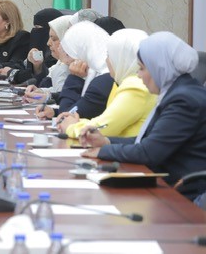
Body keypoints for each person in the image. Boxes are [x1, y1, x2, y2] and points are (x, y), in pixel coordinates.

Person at [79, 32, 206, 201]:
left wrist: (102, 151)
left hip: (183, 194)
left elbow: (148, 152)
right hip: (165, 184)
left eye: (142, 68)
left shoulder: (183, 100)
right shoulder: (177, 92)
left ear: (158, 67)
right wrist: (106, 141)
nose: (138, 75)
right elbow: (149, 141)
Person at [57, 29, 157, 139]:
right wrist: (77, 121)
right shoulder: (122, 82)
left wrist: (72, 127)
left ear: (121, 58)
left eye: (109, 55)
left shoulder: (136, 86)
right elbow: (106, 121)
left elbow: (104, 128)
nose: (106, 61)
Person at [36, 21, 114, 119]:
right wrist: (54, 112)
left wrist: (74, 78)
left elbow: (67, 115)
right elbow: (81, 108)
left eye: (70, 51)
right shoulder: (95, 72)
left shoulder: (102, 80)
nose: (65, 52)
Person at [2, 8, 62, 84]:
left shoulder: (57, 57)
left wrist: (12, 73)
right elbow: (23, 64)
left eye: (38, 28)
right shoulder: (37, 47)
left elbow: (44, 78)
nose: (48, 43)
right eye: (34, 27)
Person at [24, 14, 73, 102]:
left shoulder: (78, 68)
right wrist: (40, 91)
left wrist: (64, 63)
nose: (48, 43)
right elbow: (55, 89)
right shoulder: (58, 64)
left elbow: (63, 97)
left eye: (54, 39)